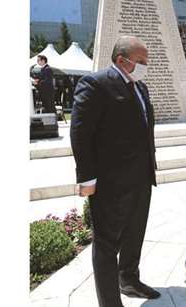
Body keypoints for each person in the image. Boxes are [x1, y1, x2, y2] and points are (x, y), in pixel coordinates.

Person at [70, 36, 160, 307]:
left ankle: (129, 280)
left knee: (135, 233)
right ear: (122, 60)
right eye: (142, 61)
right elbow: (80, 133)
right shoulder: (96, 84)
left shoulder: (139, 87)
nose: (146, 66)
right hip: (110, 182)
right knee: (107, 243)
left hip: (141, 177)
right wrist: (86, 178)